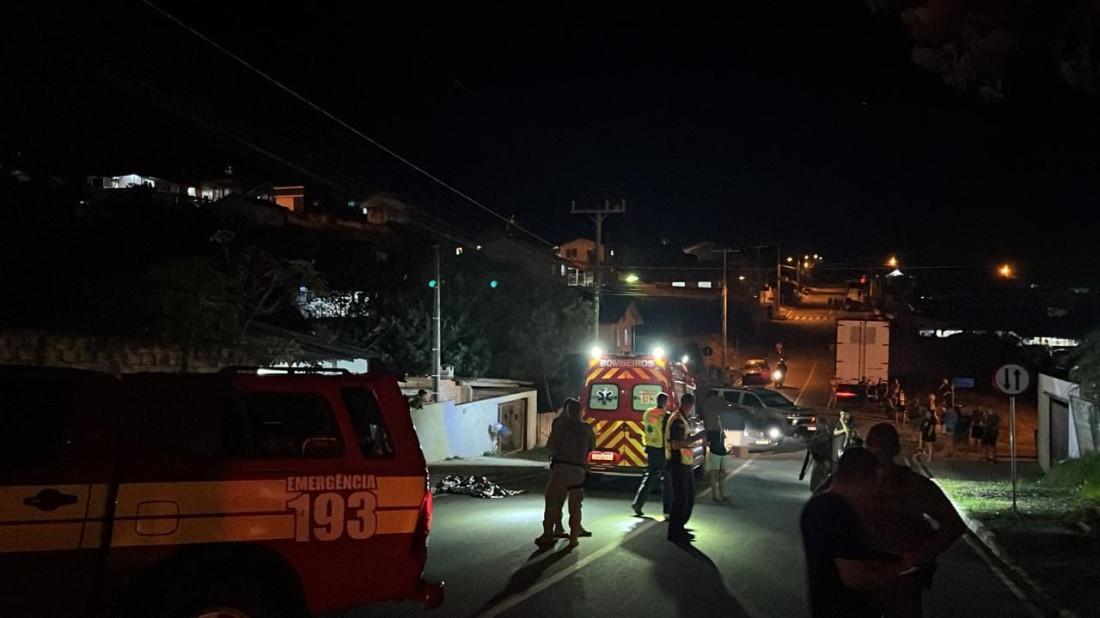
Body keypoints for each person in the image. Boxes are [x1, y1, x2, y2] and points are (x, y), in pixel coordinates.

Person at [861, 423, 967, 617]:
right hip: (866, 575)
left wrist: (916, 556)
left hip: (900, 578)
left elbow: (954, 525)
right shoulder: (856, 481)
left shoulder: (913, 485)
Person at [800, 447, 902, 617]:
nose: (875, 491)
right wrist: (896, 574)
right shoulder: (838, 513)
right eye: (874, 482)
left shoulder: (818, 505)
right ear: (861, 479)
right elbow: (856, 579)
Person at [536, 399, 596, 546]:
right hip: (578, 470)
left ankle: (548, 533)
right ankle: (574, 537)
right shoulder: (587, 429)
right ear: (581, 411)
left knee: (552, 501)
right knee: (575, 505)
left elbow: (550, 446)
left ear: (567, 411)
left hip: (561, 468)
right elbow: (592, 447)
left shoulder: (560, 426)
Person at [666, 393, 705, 542]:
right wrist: (697, 437)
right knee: (681, 499)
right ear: (690, 404)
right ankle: (675, 532)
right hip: (678, 463)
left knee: (686, 497)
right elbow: (676, 444)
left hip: (684, 463)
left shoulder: (682, 418)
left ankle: (679, 529)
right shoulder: (678, 421)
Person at [632, 393, 671, 516]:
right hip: (661, 449)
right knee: (666, 480)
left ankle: (638, 503)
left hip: (650, 448)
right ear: (665, 402)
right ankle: (667, 511)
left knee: (650, 476)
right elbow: (667, 434)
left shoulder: (648, 412)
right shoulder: (665, 415)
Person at [701, 390, 730, 502]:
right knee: (715, 473)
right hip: (715, 449)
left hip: (721, 448)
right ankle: (715, 495)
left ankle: (722, 493)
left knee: (722, 473)